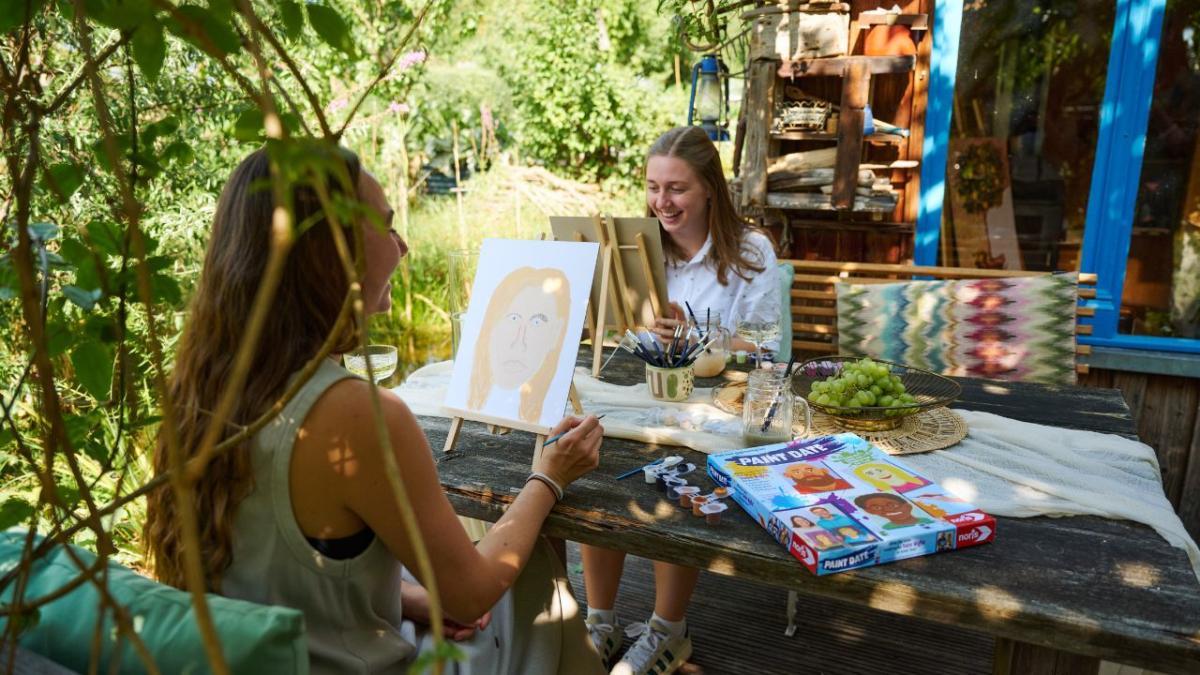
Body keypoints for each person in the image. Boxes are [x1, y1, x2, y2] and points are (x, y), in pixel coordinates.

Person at [142, 146, 606, 674]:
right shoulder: (357, 415)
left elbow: (268, 576)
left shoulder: (200, 390)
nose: (403, 246)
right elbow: (472, 592)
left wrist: (407, 599)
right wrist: (549, 477)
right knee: (535, 577)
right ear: (330, 252)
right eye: (386, 227)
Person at [580, 126, 781, 675]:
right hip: (648, 390)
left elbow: (767, 346)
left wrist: (698, 336)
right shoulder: (640, 248)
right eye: (653, 187)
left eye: (676, 189)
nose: (661, 202)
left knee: (673, 468)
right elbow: (618, 332)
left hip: (718, 404)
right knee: (595, 453)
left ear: (709, 188)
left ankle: (668, 629)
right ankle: (600, 622)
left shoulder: (750, 251)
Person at [468, 266, 571, 426]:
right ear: (491, 324)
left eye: (536, 322)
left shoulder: (550, 406)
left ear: (556, 333)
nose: (519, 342)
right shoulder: (469, 396)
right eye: (513, 318)